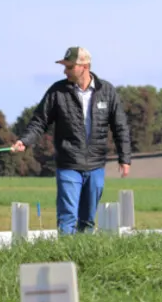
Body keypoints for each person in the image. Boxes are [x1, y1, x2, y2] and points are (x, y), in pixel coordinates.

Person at [12, 47, 132, 234]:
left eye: (69, 67)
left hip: (96, 164)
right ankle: (65, 258)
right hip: (68, 164)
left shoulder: (107, 91)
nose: (65, 71)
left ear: (84, 67)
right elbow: (39, 121)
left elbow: (120, 126)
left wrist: (125, 158)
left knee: (88, 219)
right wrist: (25, 141)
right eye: (65, 66)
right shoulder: (57, 92)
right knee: (68, 217)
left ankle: (83, 259)